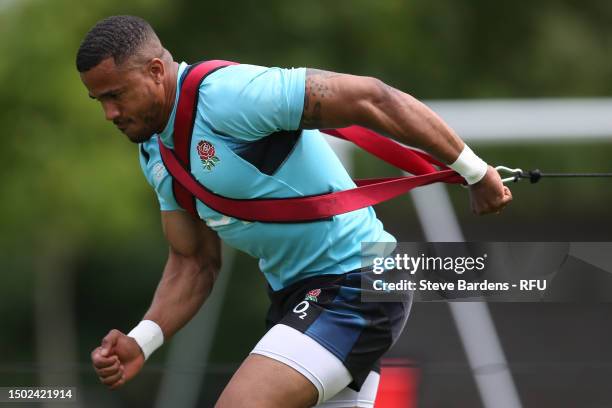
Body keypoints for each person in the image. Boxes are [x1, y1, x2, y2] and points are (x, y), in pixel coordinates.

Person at [76, 15, 512, 408]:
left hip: (357, 281)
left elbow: (372, 98)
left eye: (116, 95)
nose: (108, 113)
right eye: (99, 100)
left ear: (155, 71)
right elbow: (194, 262)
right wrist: (143, 340)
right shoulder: (154, 151)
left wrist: (474, 171)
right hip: (298, 300)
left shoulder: (229, 95)